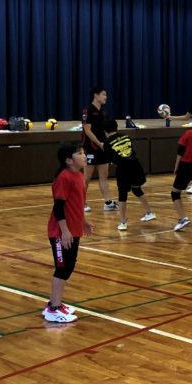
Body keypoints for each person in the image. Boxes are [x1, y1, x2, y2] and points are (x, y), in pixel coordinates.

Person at [44, 144, 93, 323]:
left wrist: (83, 222)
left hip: (73, 229)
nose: (84, 155)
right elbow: (59, 207)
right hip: (60, 232)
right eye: (79, 153)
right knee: (62, 268)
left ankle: (55, 303)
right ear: (68, 160)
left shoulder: (79, 175)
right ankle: (53, 309)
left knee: (69, 265)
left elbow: (76, 203)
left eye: (84, 152)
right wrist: (64, 231)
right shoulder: (64, 178)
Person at [102, 119, 156, 231]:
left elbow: (109, 159)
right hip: (135, 165)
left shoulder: (107, 143)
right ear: (116, 127)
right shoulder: (126, 136)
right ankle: (149, 212)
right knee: (137, 189)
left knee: (122, 195)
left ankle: (123, 222)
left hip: (123, 169)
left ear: (105, 131)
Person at [81, 86, 118, 212]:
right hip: (90, 147)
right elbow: (87, 131)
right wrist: (99, 144)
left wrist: (107, 144)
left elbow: (105, 130)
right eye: (103, 94)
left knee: (104, 176)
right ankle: (81, 202)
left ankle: (108, 202)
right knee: (87, 177)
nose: (105, 97)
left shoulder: (103, 111)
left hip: (102, 147)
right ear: (96, 95)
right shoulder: (87, 111)